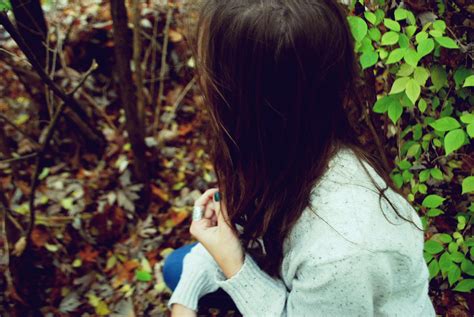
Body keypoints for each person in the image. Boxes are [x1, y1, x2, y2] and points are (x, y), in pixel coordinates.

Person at [163, 0, 437, 316]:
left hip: (332, 291)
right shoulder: (287, 148)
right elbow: (233, 239)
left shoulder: (345, 251)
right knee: (177, 268)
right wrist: (185, 298)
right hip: (304, 280)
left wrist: (235, 266)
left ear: (247, 103)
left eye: (211, 71)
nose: (201, 80)